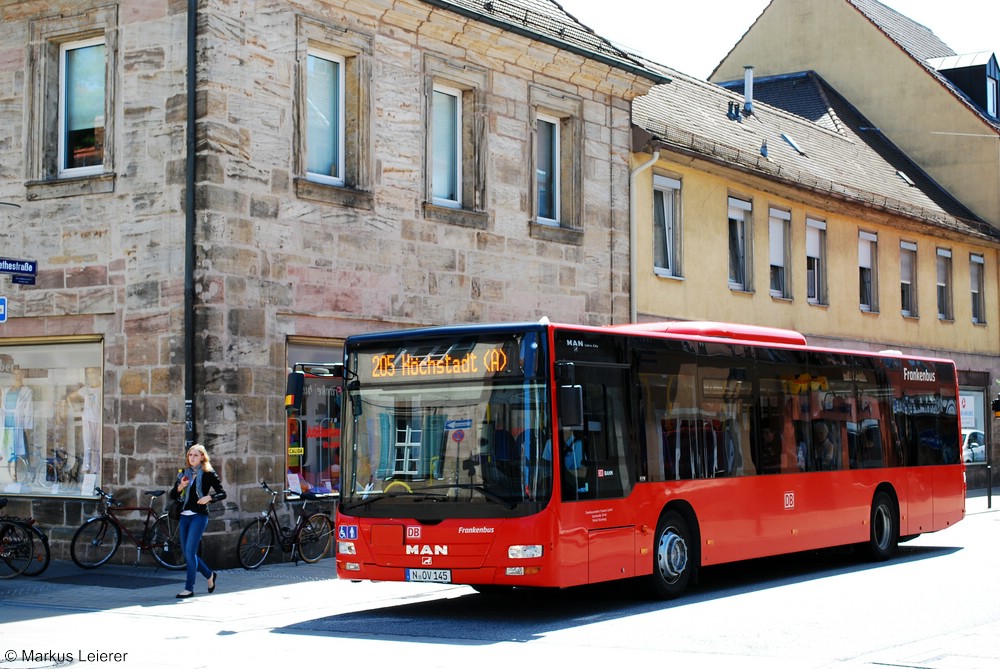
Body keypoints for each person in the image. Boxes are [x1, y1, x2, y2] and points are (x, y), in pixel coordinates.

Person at [170, 443, 227, 598]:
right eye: (190, 455)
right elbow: (172, 495)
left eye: (195, 455)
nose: (192, 458)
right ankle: (209, 575)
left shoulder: (208, 473)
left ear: (202, 457)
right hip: (184, 516)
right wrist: (180, 486)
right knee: (187, 553)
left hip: (199, 516)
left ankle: (189, 588)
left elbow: (222, 493)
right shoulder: (184, 473)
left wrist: (209, 497)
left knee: (190, 552)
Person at [67, 367, 102, 474]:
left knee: (98, 447)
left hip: (99, 420)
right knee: (88, 446)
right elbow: (70, 397)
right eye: (88, 373)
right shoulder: (86, 389)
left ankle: (96, 471)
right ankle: (87, 470)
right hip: (87, 419)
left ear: (98, 373)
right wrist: (75, 410)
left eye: (93, 372)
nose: (91, 375)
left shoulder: (102, 388)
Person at [2, 364, 34, 467]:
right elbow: (2, 406)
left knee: (18, 447)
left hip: (17, 422)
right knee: (6, 447)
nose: (16, 376)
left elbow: (28, 410)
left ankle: (20, 472)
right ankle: (8, 472)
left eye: (18, 373)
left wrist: (27, 427)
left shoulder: (26, 391)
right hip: (5, 422)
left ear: (23, 374)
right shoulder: (5, 390)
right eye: (14, 373)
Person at [543, 425, 588, 495]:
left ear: (571, 430)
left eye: (565, 428)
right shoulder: (549, 443)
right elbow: (544, 468)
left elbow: (583, 473)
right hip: (551, 487)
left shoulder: (578, 445)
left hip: (571, 489)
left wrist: (565, 473)